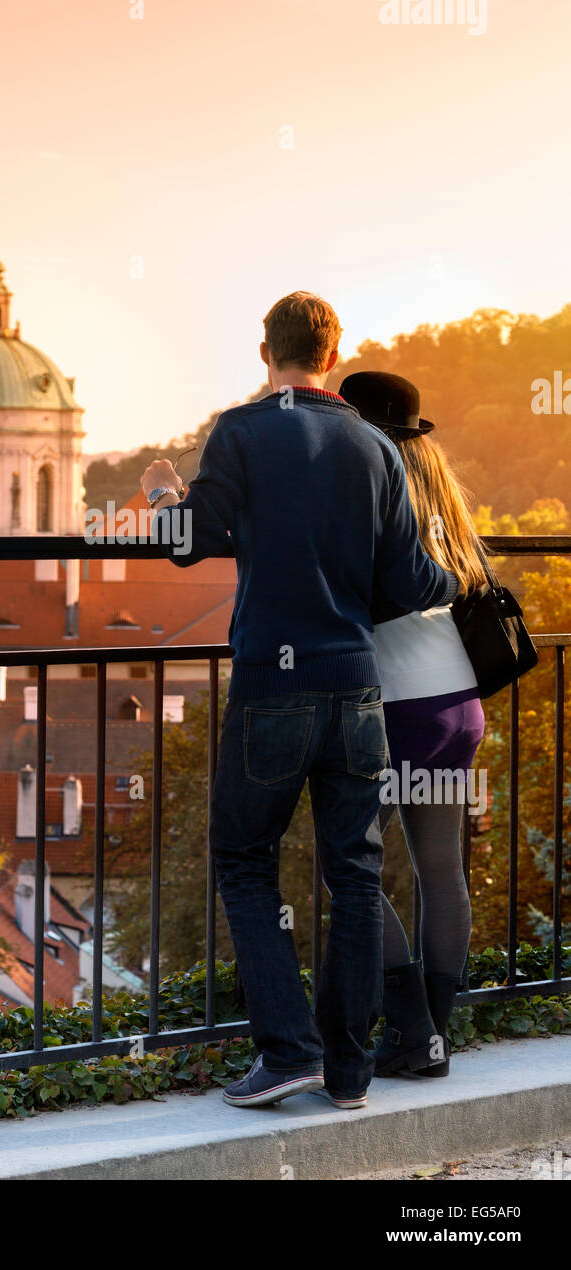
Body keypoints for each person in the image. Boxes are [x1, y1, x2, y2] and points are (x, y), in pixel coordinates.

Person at [140, 293, 457, 1110]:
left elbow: (188, 543)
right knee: (353, 873)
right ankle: (348, 1074)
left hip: (272, 688)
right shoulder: (372, 444)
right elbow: (410, 583)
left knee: (246, 863)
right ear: (333, 349)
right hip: (356, 688)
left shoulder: (243, 431)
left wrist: (160, 498)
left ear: (264, 351)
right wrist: (456, 574)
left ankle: (288, 1053)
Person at [338, 371, 486, 1079]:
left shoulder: (368, 483)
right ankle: (430, 1038)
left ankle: (411, 1027)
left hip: (397, 705)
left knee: (347, 870)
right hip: (458, 700)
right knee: (439, 870)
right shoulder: (440, 492)